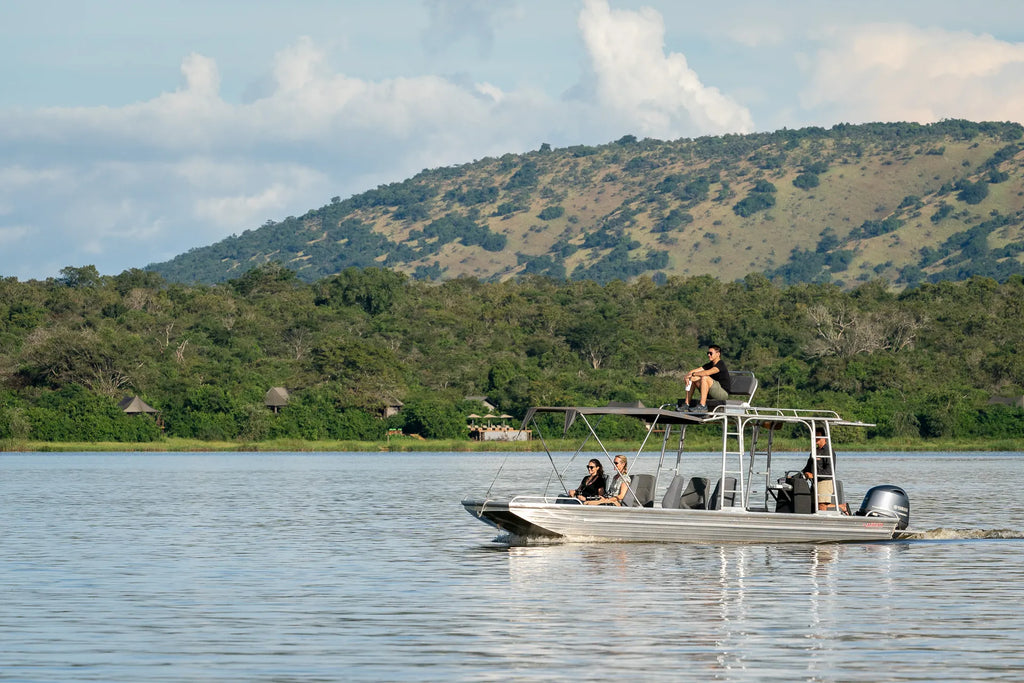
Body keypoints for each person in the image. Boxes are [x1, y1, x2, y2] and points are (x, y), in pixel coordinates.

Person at [683, 344, 732, 414]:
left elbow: (706, 373)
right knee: (693, 378)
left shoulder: (721, 364)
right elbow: (694, 371)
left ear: (718, 354)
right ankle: (686, 404)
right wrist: (688, 376)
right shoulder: (710, 364)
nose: (709, 355)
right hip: (712, 392)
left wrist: (693, 374)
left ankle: (702, 405)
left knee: (705, 378)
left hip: (722, 393)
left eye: (711, 353)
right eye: (708, 353)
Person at [803, 427, 838, 511]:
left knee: (821, 505)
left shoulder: (828, 451)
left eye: (818, 436)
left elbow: (829, 471)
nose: (816, 438)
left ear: (824, 438)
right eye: (814, 436)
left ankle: (824, 522)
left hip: (824, 482)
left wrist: (813, 475)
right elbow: (807, 468)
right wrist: (794, 476)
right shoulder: (814, 451)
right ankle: (841, 506)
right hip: (814, 483)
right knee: (812, 505)